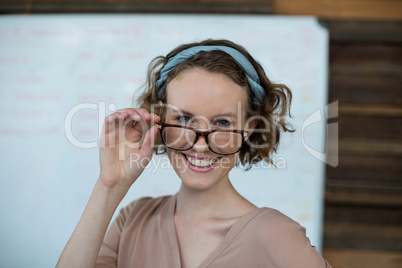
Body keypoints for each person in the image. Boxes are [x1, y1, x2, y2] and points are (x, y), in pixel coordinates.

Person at [56, 39, 332, 268]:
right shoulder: (133, 220)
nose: (200, 145)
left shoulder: (276, 236)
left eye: (222, 122)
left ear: (249, 129)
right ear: (160, 118)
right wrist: (109, 187)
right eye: (185, 119)